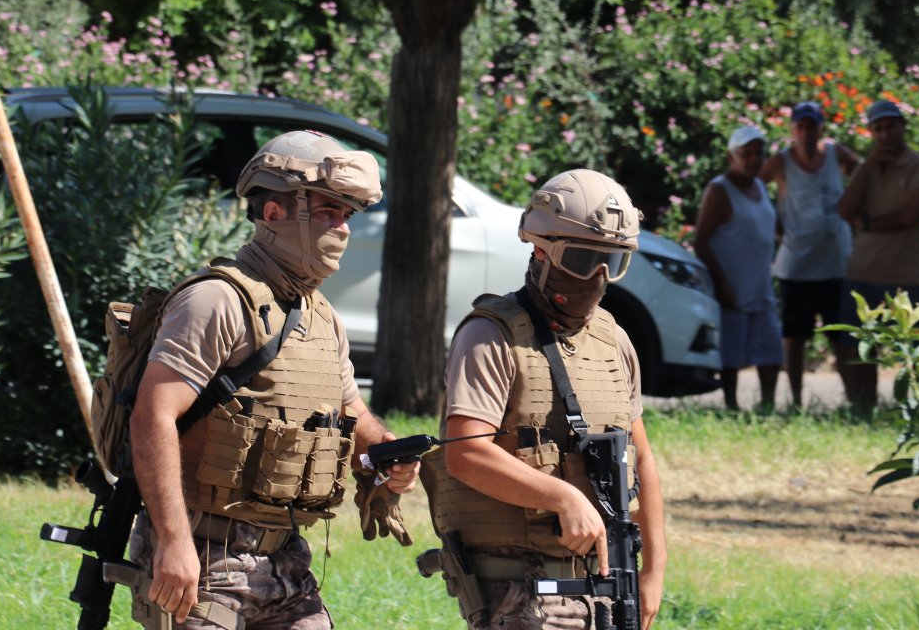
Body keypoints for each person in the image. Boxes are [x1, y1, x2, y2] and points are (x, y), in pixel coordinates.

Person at [128, 130, 419, 629]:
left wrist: (386, 452)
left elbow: (351, 412)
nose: (342, 229)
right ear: (273, 212)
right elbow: (152, 415)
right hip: (205, 553)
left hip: (286, 559)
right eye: (328, 212)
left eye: (347, 216)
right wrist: (173, 542)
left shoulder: (321, 316)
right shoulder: (216, 300)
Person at [424, 169, 666, 629]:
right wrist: (562, 497)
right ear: (540, 250)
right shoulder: (490, 336)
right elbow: (466, 453)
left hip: (607, 584)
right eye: (582, 258)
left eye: (611, 262)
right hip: (520, 587)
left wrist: (653, 570)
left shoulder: (614, 342)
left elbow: (642, 457)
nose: (596, 276)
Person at [836, 100, 919, 413]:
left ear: (902, 126)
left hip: (904, 277)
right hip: (862, 273)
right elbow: (844, 210)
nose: (885, 134)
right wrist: (867, 168)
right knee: (860, 350)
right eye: (878, 129)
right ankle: (863, 410)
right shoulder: (867, 170)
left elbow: (909, 215)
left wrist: (867, 223)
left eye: (890, 126)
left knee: (918, 353)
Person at [760, 101, 861, 407]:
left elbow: (863, 177)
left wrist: (855, 214)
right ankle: (796, 401)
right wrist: (773, 223)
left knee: (842, 336)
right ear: (793, 129)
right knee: (795, 337)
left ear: (821, 128)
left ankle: (854, 400)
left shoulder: (836, 154)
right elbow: (752, 188)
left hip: (836, 263)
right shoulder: (781, 162)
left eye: (811, 126)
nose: (806, 132)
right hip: (796, 265)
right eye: (800, 126)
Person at [694, 125, 784, 411]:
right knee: (731, 355)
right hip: (732, 287)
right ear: (731, 156)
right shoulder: (720, 190)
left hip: (760, 285)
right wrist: (722, 284)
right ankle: (731, 406)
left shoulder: (759, 186)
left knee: (771, 351)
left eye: (759, 153)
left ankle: (767, 406)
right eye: (747, 153)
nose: (754, 159)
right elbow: (701, 242)